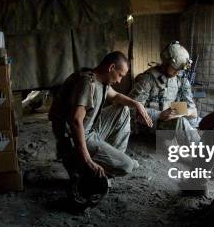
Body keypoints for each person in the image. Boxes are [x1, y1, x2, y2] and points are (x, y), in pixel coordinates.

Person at [49, 51, 152, 184]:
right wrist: (87, 161)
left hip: (89, 130)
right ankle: (83, 167)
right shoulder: (87, 83)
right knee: (127, 166)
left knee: (123, 109)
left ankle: (110, 163)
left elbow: (115, 96)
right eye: (120, 75)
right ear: (111, 68)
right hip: (74, 139)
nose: (119, 80)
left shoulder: (100, 81)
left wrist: (137, 104)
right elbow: (76, 122)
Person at [129, 41, 199, 134]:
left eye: (180, 70)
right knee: (181, 123)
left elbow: (193, 110)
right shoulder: (148, 79)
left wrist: (180, 112)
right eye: (175, 69)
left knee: (204, 122)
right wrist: (159, 115)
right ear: (166, 62)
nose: (177, 73)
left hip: (170, 117)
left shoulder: (181, 79)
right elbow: (131, 109)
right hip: (150, 122)